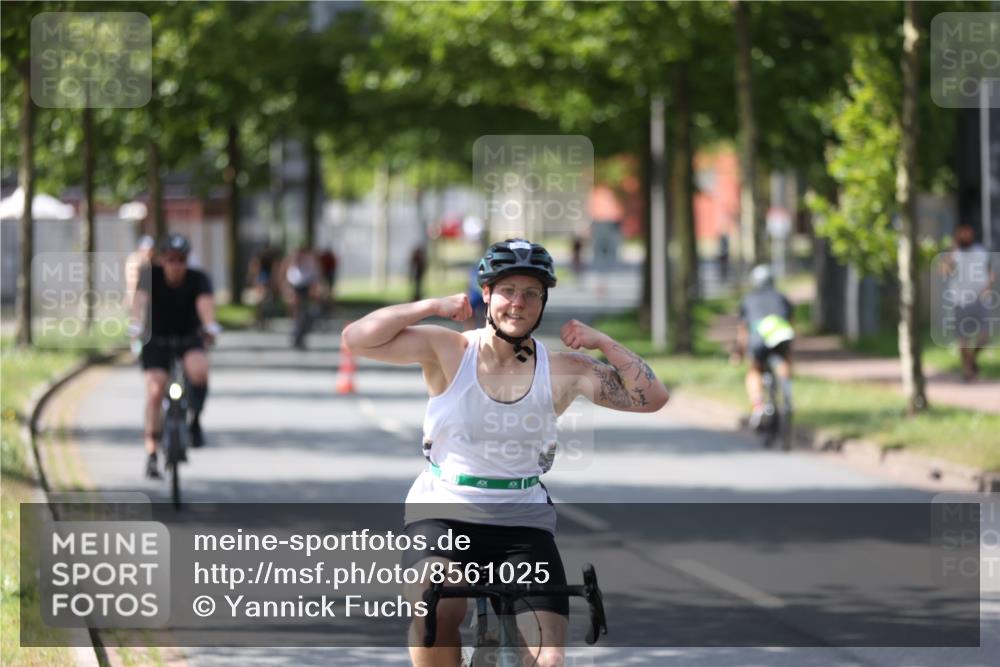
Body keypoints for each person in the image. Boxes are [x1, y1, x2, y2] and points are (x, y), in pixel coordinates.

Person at [342, 238, 669, 667]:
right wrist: (433, 304)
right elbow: (357, 338)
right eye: (508, 291)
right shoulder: (450, 351)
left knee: (549, 659)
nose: (518, 303)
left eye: (531, 293)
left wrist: (602, 341)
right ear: (488, 294)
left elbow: (652, 397)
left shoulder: (564, 370)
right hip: (444, 513)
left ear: (543, 301)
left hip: (522, 522)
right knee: (435, 611)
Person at [129, 234, 221, 479]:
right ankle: (151, 453)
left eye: (181, 260)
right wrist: (136, 325)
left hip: (187, 338)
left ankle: (195, 421)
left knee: (199, 371)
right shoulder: (150, 276)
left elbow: (205, 305)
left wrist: (210, 326)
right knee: (155, 391)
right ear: (162, 259)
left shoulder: (197, 279)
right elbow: (139, 302)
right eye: (170, 259)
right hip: (155, 340)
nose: (175, 265)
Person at [732, 264, 794, 429]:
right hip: (781, 334)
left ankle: (758, 405)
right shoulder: (782, 297)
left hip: (758, 336)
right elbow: (790, 322)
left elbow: (743, 330)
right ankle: (787, 391)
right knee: (784, 360)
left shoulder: (748, 299)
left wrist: (738, 352)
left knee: (754, 369)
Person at [941, 222, 996, 381]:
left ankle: (971, 360)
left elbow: (990, 272)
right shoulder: (954, 254)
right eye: (962, 233)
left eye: (968, 232)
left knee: (984, 337)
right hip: (960, 301)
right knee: (963, 340)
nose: (966, 235)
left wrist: (988, 287)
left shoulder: (981, 251)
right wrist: (952, 251)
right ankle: (967, 371)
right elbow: (944, 272)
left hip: (980, 299)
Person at [284, 245, 319, 349]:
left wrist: (314, 289)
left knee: (304, 313)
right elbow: (284, 277)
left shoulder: (309, 263)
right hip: (294, 287)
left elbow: (315, 276)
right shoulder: (290, 263)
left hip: (305, 287)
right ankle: (295, 334)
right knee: (296, 312)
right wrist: (287, 290)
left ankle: (300, 334)